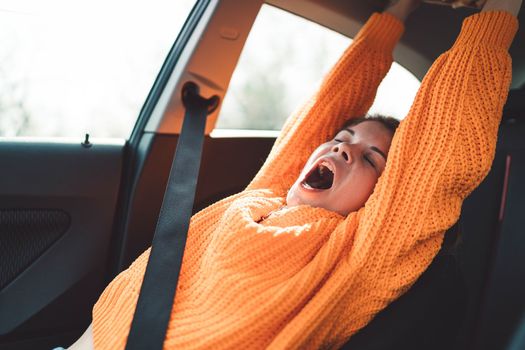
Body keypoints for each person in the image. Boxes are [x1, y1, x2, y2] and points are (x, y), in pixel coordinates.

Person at [66, 0, 522, 348]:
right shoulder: (265, 194)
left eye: (370, 159)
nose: (345, 149)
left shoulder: (353, 254)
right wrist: (395, 10)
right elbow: (327, 108)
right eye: (343, 138)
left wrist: (496, 14)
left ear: (385, 197)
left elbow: (438, 150)